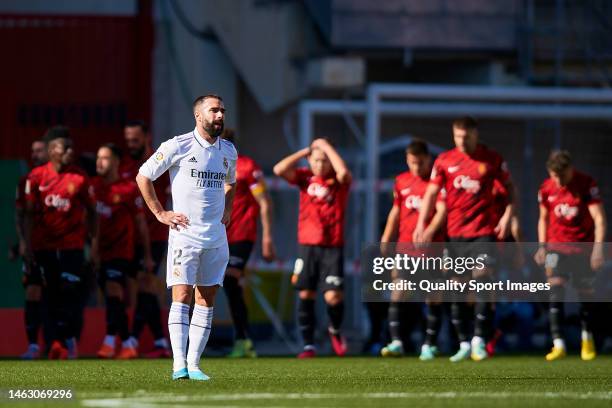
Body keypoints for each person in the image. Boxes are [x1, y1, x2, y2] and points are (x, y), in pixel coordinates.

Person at [136, 94, 237, 380]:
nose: (220, 115)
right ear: (198, 116)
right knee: (181, 295)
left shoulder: (229, 150)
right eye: (214, 110)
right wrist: (159, 213)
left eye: (222, 110)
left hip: (216, 237)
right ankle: (178, 364)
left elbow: (231, 183)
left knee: (207, 298)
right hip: (184, 235)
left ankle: (194, 365)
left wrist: (228, 209)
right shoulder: (177, 145)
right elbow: (143, 176)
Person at [414, 116, 515, 362]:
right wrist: (421, 223)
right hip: (454, 235)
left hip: (482, 232)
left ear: (475, 135)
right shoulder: (445, 161)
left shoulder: (491, 160)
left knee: (482, 279)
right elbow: (431, 193)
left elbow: (510, 190)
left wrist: (507, 217)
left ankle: (480, 340)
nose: (462, 141)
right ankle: (464, 342)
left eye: (466, 136)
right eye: (458, 136)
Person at [273, 138, 352, 358]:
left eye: (325, 161)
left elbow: (344, 172)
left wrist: (327, 146)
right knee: (306, 294)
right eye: (317, 160)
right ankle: (308, 345)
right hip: (307, 245)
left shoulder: (339, 181)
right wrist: (306, 150)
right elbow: (279, 169)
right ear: (309, 161)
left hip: (332, 247)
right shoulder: (304, 178)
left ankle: (335, 330)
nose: (321, 165)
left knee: (333, 297)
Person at [24, 128, 97, 359]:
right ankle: (51, 343)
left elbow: (93, 212)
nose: (69, 151)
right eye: (64, 148)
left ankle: (68, 339)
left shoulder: (79, 178)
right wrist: (26, 245)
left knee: (70, 294)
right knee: (47, 296)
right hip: (43, 247)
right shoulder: (35, 178)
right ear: (51, 151)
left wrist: (93, 245)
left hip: (72, 248)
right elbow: (26, 214)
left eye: (71, 147)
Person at [534, 150, 606, 361]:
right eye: (554, 176)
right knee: (553, 288)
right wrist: (541, 246)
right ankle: (558, 343)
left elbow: (599, 219)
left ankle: (587, 339)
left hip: (582, 248)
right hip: (555, 248)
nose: (559, 180)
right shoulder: (546, 188)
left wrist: (598, 249)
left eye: (562, 176)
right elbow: (543, 219)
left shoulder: (586, 184)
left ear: (570, 169)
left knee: (585, 293)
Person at [379, 139, 446, 360]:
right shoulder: (401, 181)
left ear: (428, 159)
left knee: (432, 296)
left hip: (433, 249)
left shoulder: (437, 183)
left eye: (420, 162)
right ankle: (396, 341)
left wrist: (428, 233)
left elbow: (441, 212)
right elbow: (396, 211)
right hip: (405, 247)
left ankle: (429, 344)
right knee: (398, 291)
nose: (416, 167)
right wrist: (387, 236)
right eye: (411, 163)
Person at [91, 144, 153, 359]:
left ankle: (125, 342)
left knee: (113, 291)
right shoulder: (93, 187)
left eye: (105, 158)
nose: (100, 162)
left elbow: (141, 223)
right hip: (99, 252)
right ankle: (112, 342)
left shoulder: (128, 189)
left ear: (116, 161)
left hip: (121, 251)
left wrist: (146, 255)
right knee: (112, 298)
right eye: (99, 157)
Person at [221, 129, 276, 358]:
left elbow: (265, 202)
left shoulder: (247, 167)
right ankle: (242, 339)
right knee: (222, 286)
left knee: (231, 280)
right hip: (216, 236)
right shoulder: (208, 168)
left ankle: (243, 340)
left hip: (242, 235)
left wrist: (267, 237)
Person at [119, 120, 170, 358]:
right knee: (142, 288)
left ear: (146, 137)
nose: (131, 144)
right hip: (133, 238)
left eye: (135, 139)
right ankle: (159, 341)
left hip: (156, 235)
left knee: (145, 284)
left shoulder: (160, 162)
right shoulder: (127, 165)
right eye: (128, 140)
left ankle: (132, 339)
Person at [15, 139, 49, 359]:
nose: (35, 154)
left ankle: (62, 341)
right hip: (35, 247)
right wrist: (23, 242)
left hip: (59, 246)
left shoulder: (60, 178)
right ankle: (33, 345)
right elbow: (20, 215)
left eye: (39, 150)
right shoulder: (26, 181)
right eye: (32, 151)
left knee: (57, 295)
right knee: (32, 292)